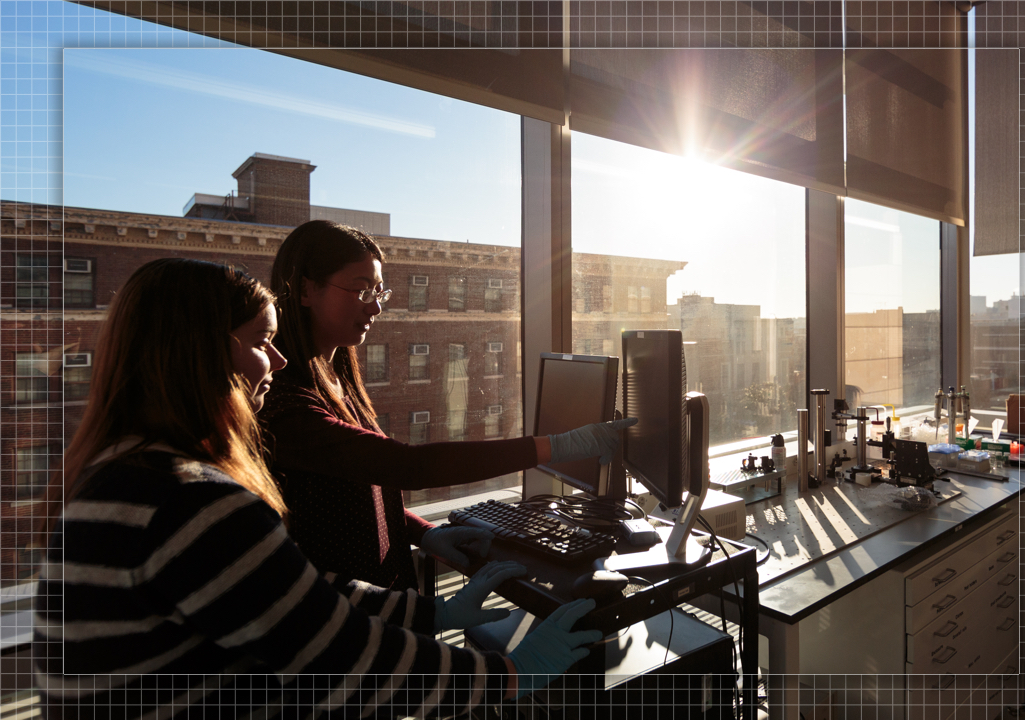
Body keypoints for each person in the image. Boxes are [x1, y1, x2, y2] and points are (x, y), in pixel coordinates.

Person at [33, 258, 602, 717]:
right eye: (260, 341)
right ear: (201, 352)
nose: (275, 363)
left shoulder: (124, 474)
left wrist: (429, 613)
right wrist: (510, 675)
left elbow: (280, 592)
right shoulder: (190, 502)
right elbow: (334, 658)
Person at [263, 220, 635, 590]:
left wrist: (424, 534)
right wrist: (557, 447)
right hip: (345, 623)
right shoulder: (282, 403)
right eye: (361, 291)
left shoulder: (335, 378)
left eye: (379, 291)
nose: (375, 307)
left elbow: (367, 489)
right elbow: (406, 467)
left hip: (386, 604)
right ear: (306, 290)